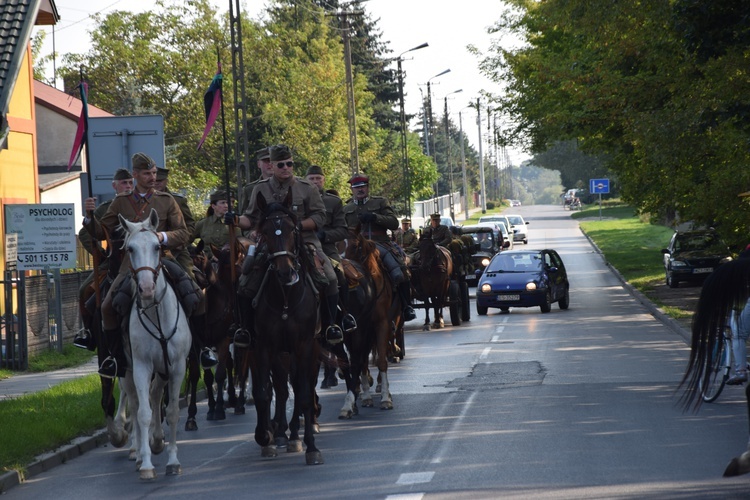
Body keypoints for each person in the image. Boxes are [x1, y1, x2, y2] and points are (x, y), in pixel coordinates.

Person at [83, 152, 193, 378]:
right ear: (135, 175)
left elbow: (183, 233)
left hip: (163, 260)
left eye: (154, 173)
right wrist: (89, 217)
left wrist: (161, 238)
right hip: (129, 265)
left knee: (195, 296)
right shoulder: (121, 202)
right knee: (105, 307)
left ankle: (198, 349)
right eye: (147, 173)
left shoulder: (166, 200)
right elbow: (100, 232)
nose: (152, 177)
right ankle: (117, 359)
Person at [231, 144, 344, 345]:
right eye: (281, 164)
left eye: (289, 163)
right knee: (245, 281)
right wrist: (236, 220)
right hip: (270, 243)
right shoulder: (260, 188)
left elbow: (319, 216)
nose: (286, 167)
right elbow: (250, 217)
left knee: (331, 276)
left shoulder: (306, 188)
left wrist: (296, 226)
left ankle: (330, 326)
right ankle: (245, 329)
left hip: (304, 241)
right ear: (272, 165)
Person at [306, 164, 356, 389]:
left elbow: (343, 230)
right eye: (311, 178)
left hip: (326, 250)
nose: (315, 182)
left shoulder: (334, 202)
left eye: (318, 178)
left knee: (338, 274)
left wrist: (326, 234)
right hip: (301, 249)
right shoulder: (298, 197)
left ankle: (340, 318)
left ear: (323, 181)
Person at [73, 168, 134, 350]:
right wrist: (99, 254)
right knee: (84, 291)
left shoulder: (142, 204)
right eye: (124, 183)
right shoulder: (106, 208)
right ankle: (88, 333)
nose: (128, 186)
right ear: (114, 186)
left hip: (143, 258)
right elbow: (86, 232)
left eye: (131, 182)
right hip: (115, 259)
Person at [342, 174, 416, 321]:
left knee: (399, 269)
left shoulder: (381, 202)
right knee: (341, 274)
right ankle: (345, 314)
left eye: (363, 186)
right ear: (351, 190)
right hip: (355, 247)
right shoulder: (346, 208)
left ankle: (407, 306)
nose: (360, 190)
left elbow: (394, 223)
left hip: (379, 243)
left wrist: (375, 217)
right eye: (356, 188)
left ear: (368, 187)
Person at [192, 189, 241, 254]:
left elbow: (242, 244)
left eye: (229, 203)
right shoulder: (203, 223)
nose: (227, 206)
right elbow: (185, 239)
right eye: (223, 203)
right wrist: (194, 251)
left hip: (229, 261)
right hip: (208, 261)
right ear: (213, 206)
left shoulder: (236, 222)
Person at [239, 147, 274, 215]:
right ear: (259, 164)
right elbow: (245, 215)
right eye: (266, 161)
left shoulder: (286, 185)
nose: (270, 164)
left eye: (272, 161)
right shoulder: (249, 189)